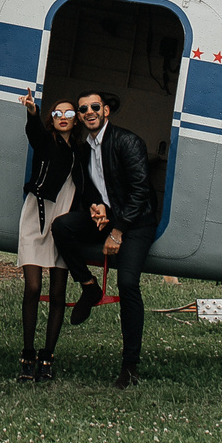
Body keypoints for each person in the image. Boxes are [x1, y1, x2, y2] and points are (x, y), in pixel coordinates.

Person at [60, 88, 156, 387]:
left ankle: (130, 367)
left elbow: (140, 193)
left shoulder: (128, 142)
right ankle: (89, 287)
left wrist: (117, 231)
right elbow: (89, 187)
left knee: (127, 283)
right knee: (62, 228)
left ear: (106, 112)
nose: (88, 112)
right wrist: (95, 207)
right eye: (83, 108)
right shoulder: (83, 148)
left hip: (136, 221)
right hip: (106, 216)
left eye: (94, 107)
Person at [14, 91, 81, 381]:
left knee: (57, 293)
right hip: (36, 215)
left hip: (64, 220)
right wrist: (32, 111)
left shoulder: (83, 150)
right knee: (32, 287)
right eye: (57, 114)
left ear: (76, 120)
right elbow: (34, 133)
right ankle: (27, 353)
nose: (63, 118)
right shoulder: (45, 141)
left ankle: (47, 357)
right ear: (51, 120)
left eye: (68, 114)